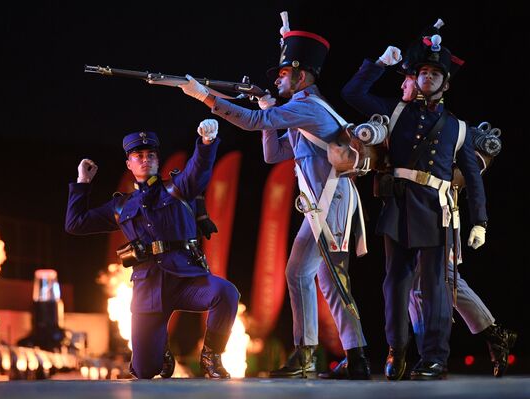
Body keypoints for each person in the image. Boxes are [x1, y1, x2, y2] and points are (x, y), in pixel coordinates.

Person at [178, 24, 370, 379]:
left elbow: (250, 121)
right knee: (317, 277)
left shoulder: (307, 107)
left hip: (330, 201)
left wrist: (205, 96)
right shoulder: (300, 108)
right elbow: (274, 153)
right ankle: (335, 356)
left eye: (284, 73)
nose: (279, 79)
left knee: (317, 277)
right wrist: (268, 110)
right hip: (322, 203)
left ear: (302, 76)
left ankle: (325, 356)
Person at [342, 24, 488, 380]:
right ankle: (398, 349)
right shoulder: (397, 112)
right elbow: (352, 93)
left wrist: (480, 221)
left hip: (437, 210)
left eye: (434, 73)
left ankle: (435, 358)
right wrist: (379, 63)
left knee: (436, 287)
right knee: (395, 283)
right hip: (400, 206)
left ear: (445, 83)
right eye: (422, 71)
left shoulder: (459, 128)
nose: (427, 77)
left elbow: (472, 177)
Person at [65, 120, 240, 379]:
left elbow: (199, 168)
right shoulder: (121, 207)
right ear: (129, 163)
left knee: (225, 292)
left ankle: (211, 357)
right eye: (138, 156)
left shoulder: (178, 188)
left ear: (158, 160)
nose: (145, 160)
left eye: (150, 155)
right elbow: (75, 224)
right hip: (148, 291)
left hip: (185, 280)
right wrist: (82, 182)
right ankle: (161, 349)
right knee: (145, 371)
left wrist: (206, 143)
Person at [400, 73, 517, 378]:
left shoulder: (452, 127)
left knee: (443, 281)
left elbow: (463, 177)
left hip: (440, 212)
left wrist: (480, 222)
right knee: (430, 282)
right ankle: (486, 335)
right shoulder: (410, 118)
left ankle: (446, 348)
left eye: (408, 81)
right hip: (416, 211)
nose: (406, 86)